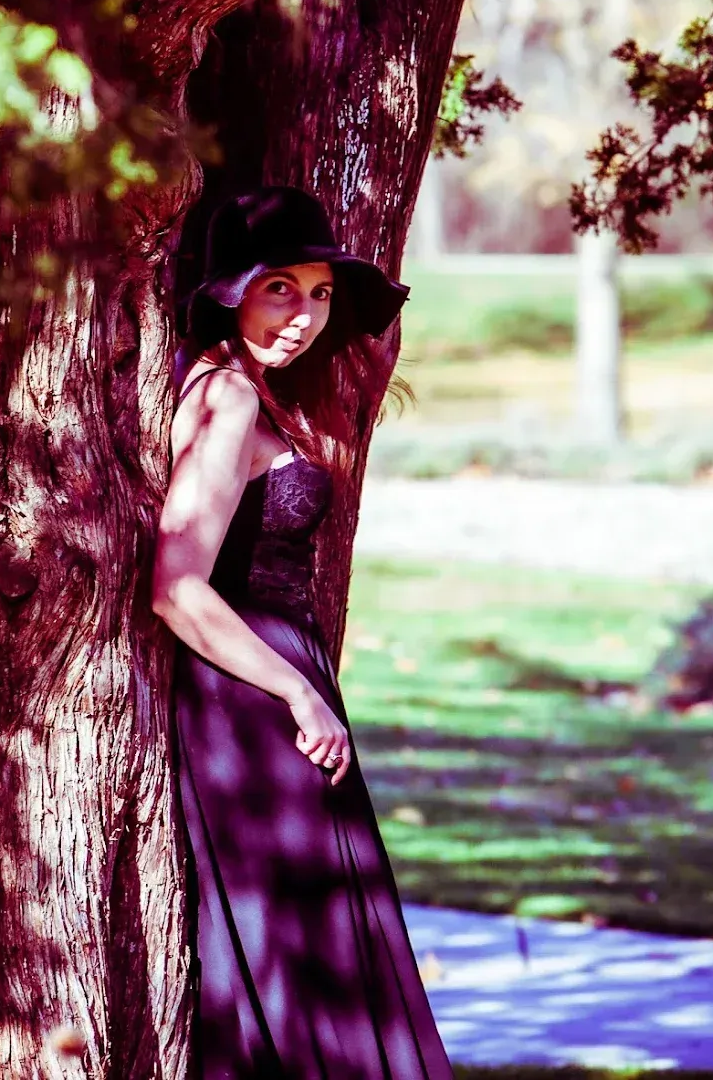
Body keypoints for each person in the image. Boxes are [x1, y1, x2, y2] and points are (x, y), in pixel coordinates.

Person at [152, 185, 454, 1079]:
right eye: (280, 288)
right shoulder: (227, 398)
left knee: (300, 938)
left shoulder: (242, 389)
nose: (305, 315)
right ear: (227, 292)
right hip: (251, 705)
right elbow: (176, 586)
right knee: (289, 945)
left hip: (267, 695)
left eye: (319, 293)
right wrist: (297, 693)